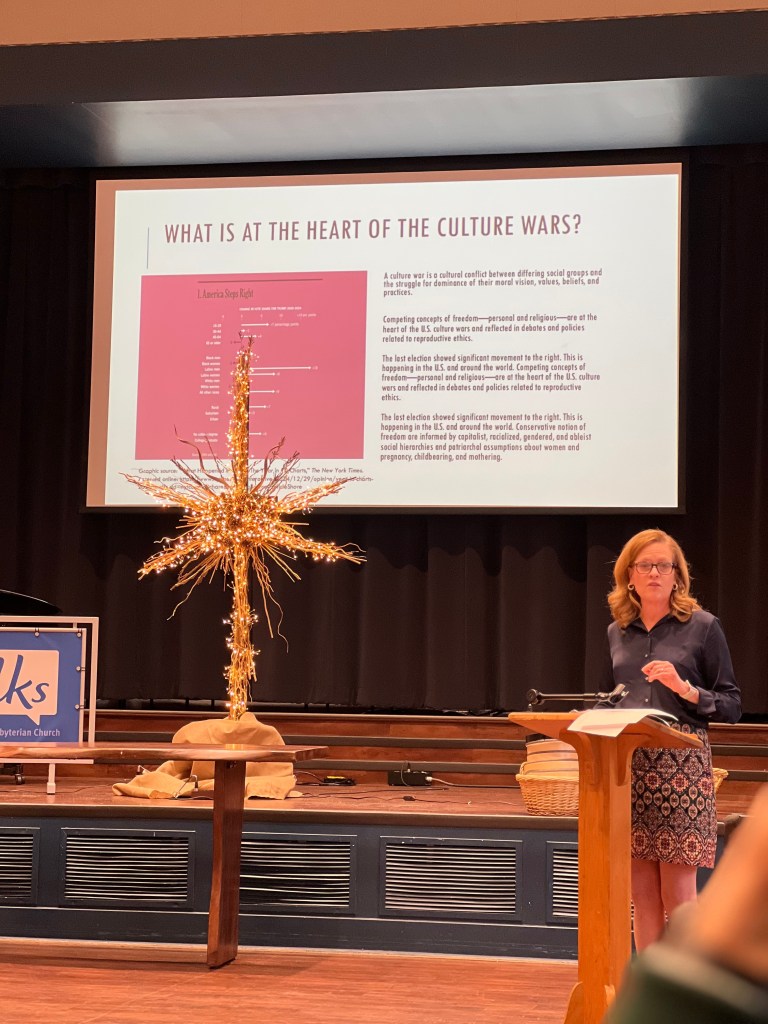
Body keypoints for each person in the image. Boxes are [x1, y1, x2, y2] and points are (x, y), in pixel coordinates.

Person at [601, 528, 741, 951]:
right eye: (645, 565)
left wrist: (685, 689)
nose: (655, 573)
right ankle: (648, 985)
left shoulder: (703, 627)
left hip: (682, 769)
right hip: (630, 767)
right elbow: (612, 698)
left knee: (678, 897)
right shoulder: (617, 631)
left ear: (678, 575)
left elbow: (732, 705)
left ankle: (684, 986)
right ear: (629, 576)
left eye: (664, 566)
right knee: (642, 896)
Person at [606, 785, 768, 1024]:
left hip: (683, 783)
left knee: (679, 901)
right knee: (644, 897)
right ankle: (654, 1001)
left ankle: (674, 1002)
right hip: (632, 782)